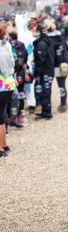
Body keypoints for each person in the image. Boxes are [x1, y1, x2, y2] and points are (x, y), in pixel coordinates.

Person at [47, 22, 68, 112]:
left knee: (48, 86)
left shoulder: (48, 40)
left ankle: (47, 105)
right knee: (62, 86)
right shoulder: (61, 37)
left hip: (53, 65)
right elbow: (67, 48)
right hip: (63, 64)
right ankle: (63, 104)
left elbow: (50, 54)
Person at [0, 24, 16, 157]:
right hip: (9, 85)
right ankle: (5, 146)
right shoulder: (7, 45)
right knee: (1, 116)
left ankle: (1, 148)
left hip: (1, 86)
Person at [33, 25, 55, 120]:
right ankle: (45, 111)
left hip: (45, 71)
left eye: (34, 30)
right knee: (45, 91)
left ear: (38, 31)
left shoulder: (41, 43)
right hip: (48, 70)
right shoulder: (45, 41)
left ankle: (47, 113)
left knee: (45, 92)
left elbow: (41, 60)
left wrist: (37, 72)